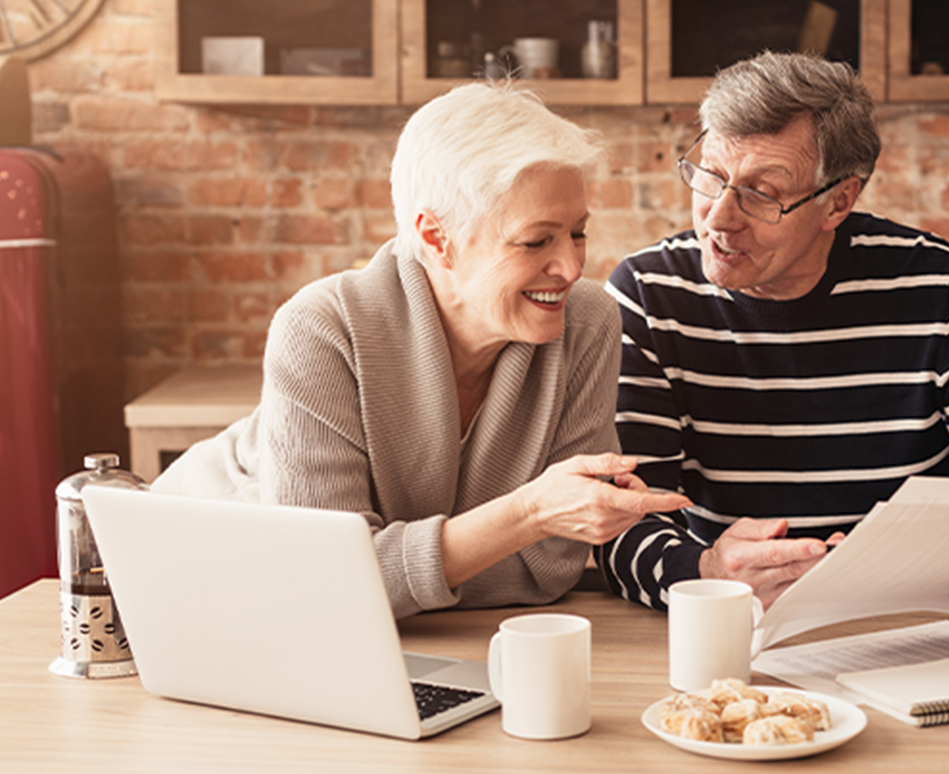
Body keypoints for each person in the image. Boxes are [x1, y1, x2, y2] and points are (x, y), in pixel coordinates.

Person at [597, 52, 949, 639]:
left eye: (762, 193)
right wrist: (706, 571)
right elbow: (622, 526)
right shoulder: (648, 295)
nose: (720, 218)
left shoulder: (938, 289)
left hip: (919, 632)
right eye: (710, 176)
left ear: (838, 201)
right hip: (735, 634)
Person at [153, 83, 689, 619]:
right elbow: (319, 586)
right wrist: (526, 516)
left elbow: (548, 570)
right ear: (436, 239)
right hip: (189, 587)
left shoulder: (587, 322)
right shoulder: (320, 329)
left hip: (400, 635)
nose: (571, 268)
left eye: (577, 233)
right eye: (535, 241)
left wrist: (383, 569)